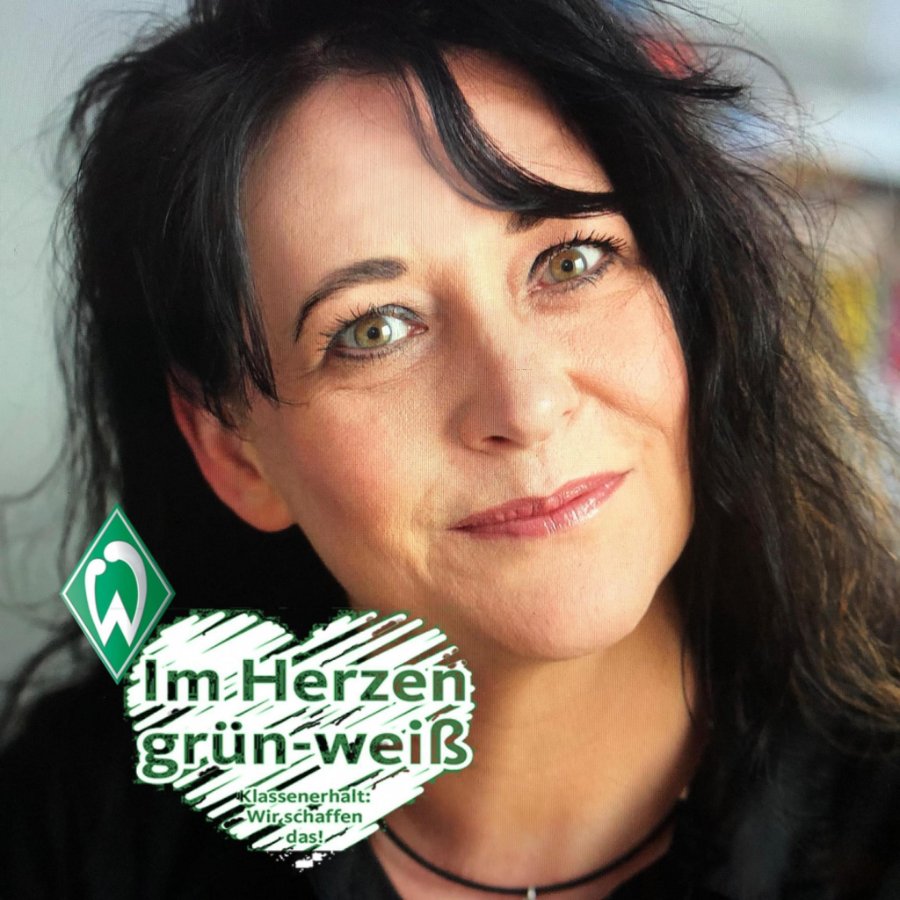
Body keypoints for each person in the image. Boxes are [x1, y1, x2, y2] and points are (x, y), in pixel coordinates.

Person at [1, 0, 898, 897]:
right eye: (375, 330)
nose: (526, 404)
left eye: (571, 262)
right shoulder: (80, 832)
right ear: (236, 454)